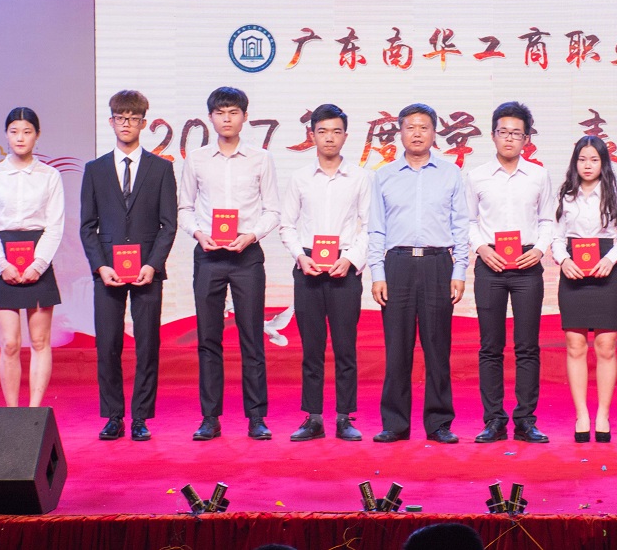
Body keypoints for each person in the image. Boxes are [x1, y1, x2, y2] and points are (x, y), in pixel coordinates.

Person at [178, 86, 280, 441]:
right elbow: (184, 207)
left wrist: (251, 235)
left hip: (246, 256)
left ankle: (257, 418)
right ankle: (210, 418)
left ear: (245, 117)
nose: (226, 119)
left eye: (233, 112)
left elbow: (273, 210)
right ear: (210, 117)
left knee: (252, 337)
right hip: (208, 255)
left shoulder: (260, 159)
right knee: (209, 339)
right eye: (220, 112)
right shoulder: (197, 159)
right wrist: (198, 233)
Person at [368, 103, 469, 443]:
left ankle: (439, 423)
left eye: (424, 127)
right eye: (410, 127)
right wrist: (377, 273)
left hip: (438, 263)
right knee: (397, 348)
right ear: (400, 132)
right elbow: (376, 228)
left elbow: (461, 225)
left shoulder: (450, 173)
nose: (416, 133)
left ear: (434, 132)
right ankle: (395, 423)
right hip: (396, 264)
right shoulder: (384, 176)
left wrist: (459, 270)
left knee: (437, 348)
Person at [80, 90, 178, 441]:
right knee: (107, 344)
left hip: (147, 271)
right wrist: (100, 266)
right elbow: (87, 226)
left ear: (143, 123)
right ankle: (113, 416)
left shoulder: (161, 168)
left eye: (133, 118)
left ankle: (140, 418)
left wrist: (153, 264)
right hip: (107, 271)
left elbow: (169, 224)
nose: (126, 124)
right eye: (121, 118)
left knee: (147, 344)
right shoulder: (94, 170)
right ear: (111, 122)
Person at [280, 103, 370, 442]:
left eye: (336, 131)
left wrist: (351, 259)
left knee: (345, 347)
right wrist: (299, 257)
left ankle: (345, 417)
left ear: (345, 136)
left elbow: (370, 226)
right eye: (322, 131)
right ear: (312, 135)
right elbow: (286, 224)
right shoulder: (300, 178)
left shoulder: (360, 177)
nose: (329, 138)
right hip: (308, 267)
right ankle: (313, 417)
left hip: (344, 268)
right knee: (312, 348)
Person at [466, 101, 553, 444]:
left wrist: (539, 249)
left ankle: (526, 420)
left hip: (527, 265)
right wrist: (482, 249)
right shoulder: (477, 176)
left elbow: (547, 219)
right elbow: (468, 221)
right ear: (493, 135)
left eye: (517, 133)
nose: (509, 138)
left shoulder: (538, 175)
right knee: (490, 346)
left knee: (527, 346)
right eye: (503, 132)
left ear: (527, 139)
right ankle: (494, 420)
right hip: (490, 264)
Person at [0, 107, 64, 407]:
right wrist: (1, 265)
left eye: (27, 132)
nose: (20, 138)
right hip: (2, 257)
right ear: (6, 134)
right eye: (14, 131)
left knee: (39, 341)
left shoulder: (50, 176)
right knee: (10, 342)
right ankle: (13, 413)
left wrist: (38, 264)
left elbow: (54, 225)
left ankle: (34, 412)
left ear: (37, 135)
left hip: (39, 255)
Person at [552, 136, 617, 443]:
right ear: (575, 162)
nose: (588, 165)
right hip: (573, 271)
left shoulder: (616, 195)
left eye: (594, 160)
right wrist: (564, 260)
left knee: (606, 346)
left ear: (603, 163)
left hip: (605, 270)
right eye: (582, 159)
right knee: (575, 345)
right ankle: (582, 415)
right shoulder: (565, 195)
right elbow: (556, 237)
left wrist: (611, 259)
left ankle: (603, 416)